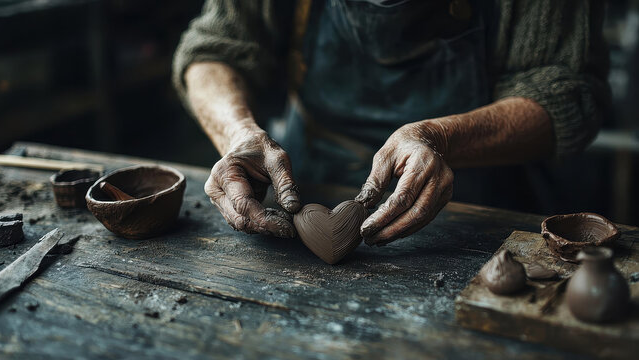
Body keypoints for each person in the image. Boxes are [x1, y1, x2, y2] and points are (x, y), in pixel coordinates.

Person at [172, 0, 609, 245]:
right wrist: (238, 132)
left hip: (476, 196)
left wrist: (439, 138)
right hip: (308, 177)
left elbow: (568, 92)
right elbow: (214, 48)